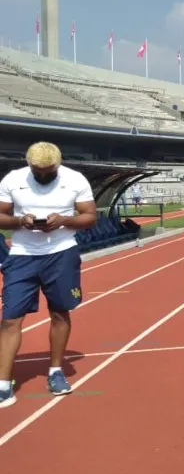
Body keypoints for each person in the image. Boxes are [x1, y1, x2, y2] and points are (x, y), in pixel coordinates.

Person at [0, 141, 97, 408]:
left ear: (58, 163)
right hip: (22, 254)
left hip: (61, 253)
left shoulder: (75, 180)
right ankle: (3, 384)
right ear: (29, 164)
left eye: (48, 170)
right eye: (38, 170)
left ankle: (55, 372)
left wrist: (63, 220)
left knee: (59, 312)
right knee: (10, 319)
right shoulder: (13, 179)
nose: (43, 174)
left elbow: (90, 216)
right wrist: (21, 221)